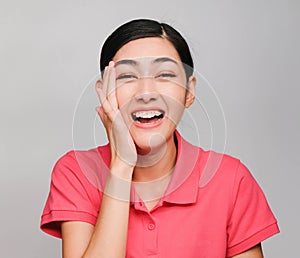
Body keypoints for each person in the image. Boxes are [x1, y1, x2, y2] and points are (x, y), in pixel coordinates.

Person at [40, 19, 279, 258]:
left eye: (164, 74)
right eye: (127, 76)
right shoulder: (76, 172)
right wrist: (122, 165)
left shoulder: (231, 179)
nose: (146, 93)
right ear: (104, 92)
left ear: (189, 91)